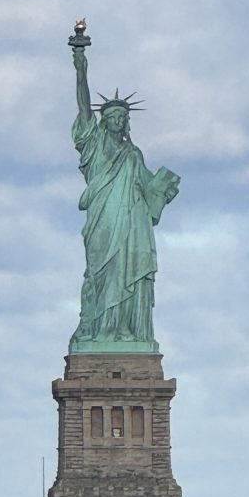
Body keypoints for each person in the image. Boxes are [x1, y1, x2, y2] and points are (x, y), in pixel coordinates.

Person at [70, 44, 179, 351]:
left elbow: (149, 189)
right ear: (103, 121)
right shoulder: (94, 145)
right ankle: (101, 328)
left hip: (131, 226)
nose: (118, 120)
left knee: (127, 270)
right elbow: (83, 108)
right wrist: (81, 67)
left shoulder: (133, 154)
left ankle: (125, 329)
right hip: (103, 221)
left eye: (122, 116)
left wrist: (165, 189)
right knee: (103, 274)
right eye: (113, 116)